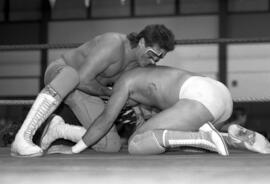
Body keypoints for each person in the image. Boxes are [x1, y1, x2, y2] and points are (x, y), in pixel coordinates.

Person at [11, 24, 175, 157]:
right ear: (141, 42)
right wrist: (109, 94)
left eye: (159, 57)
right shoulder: (114, 44)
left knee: (111, 145)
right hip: (61, 74)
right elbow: (81, 79)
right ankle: (22, 137)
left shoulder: (140, 65)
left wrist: (140, 116)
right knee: (72, 75)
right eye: (152, 54)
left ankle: (57, 130)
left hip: (87, 91)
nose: (154, 60)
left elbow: (131, 96)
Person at [41, 65, 233, 156]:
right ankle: (232, 138)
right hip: (220, 95)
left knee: (136, 144)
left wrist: (74, 150)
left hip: (201, 100)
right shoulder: (151, 76)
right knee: (193, 150)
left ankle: (203, 137)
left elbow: (106, 120)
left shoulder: (124, 83)